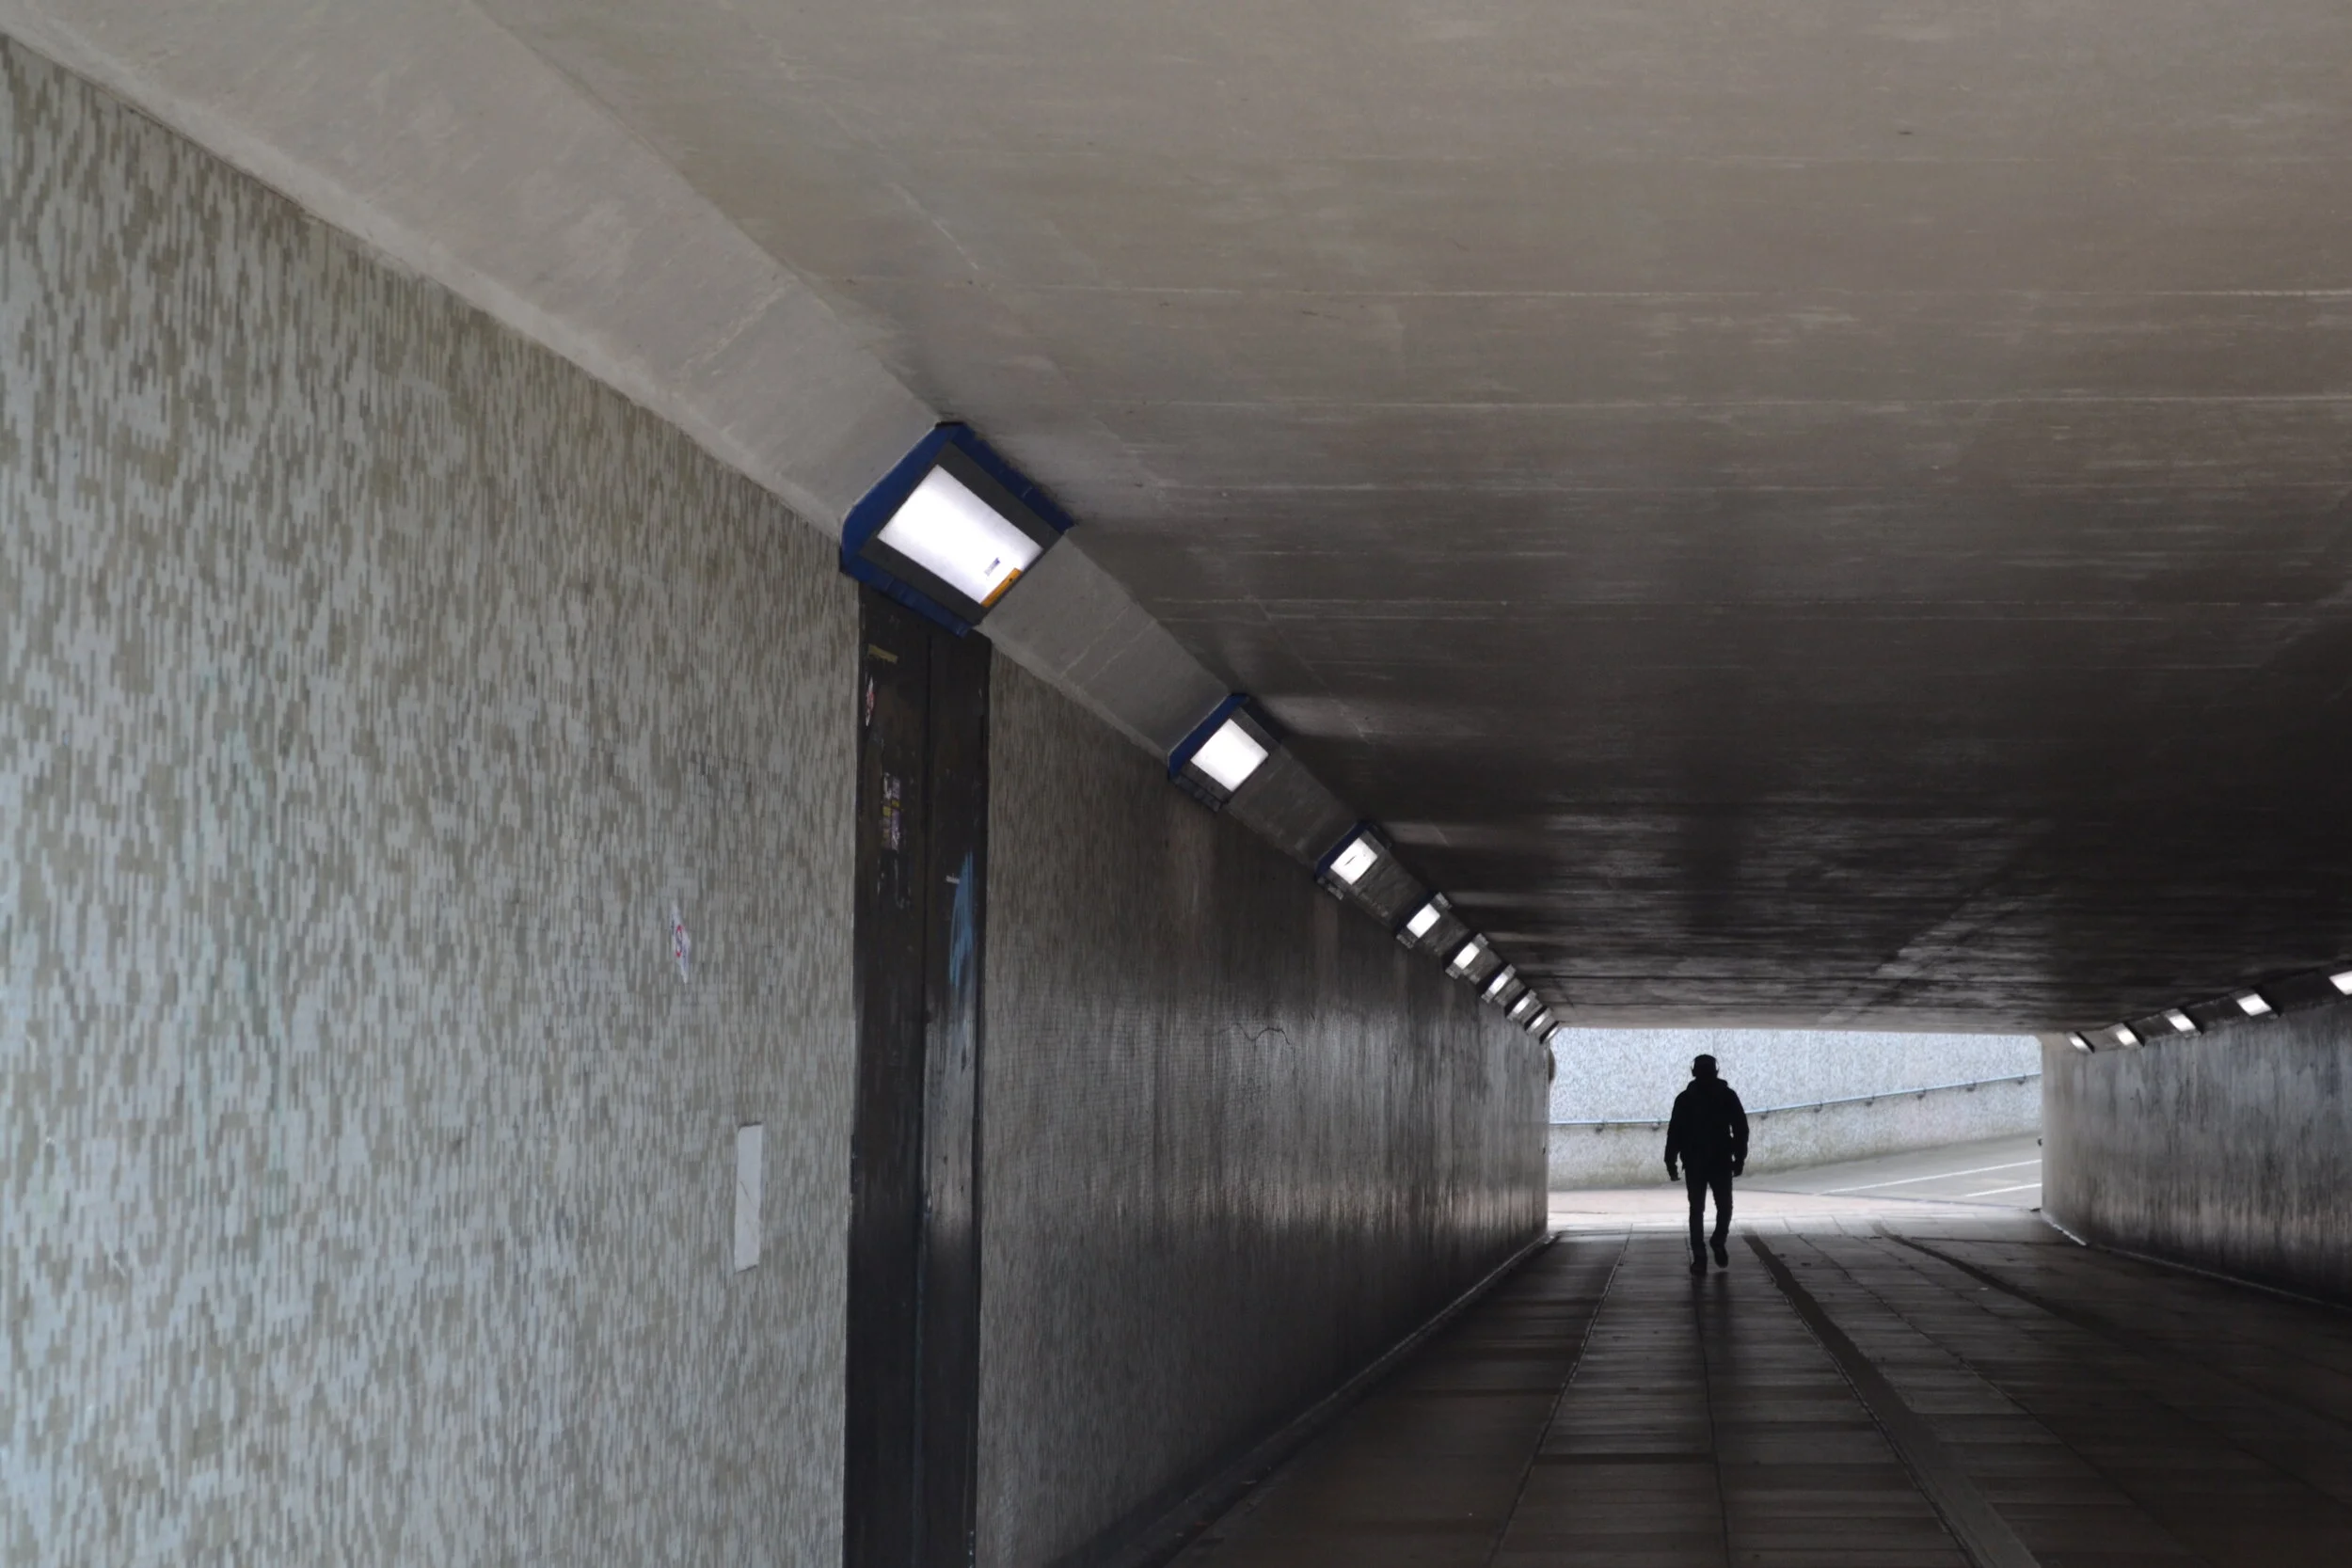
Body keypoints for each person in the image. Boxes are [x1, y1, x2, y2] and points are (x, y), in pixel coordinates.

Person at [1664, 1053, 1748, 1274]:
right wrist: (1740, 1157)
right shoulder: (1727, 1096)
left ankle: (1700, 1258)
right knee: (1725, 1206)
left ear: (1694, 1072)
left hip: (1694, 1162)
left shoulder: (1684, 1099)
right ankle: (1718, 1241)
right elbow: (1741, 1129)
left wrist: (1670, 1161)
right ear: (1716, 1071)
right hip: (1720, 1160)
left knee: (1696, 1210)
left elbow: (1674, 1133)